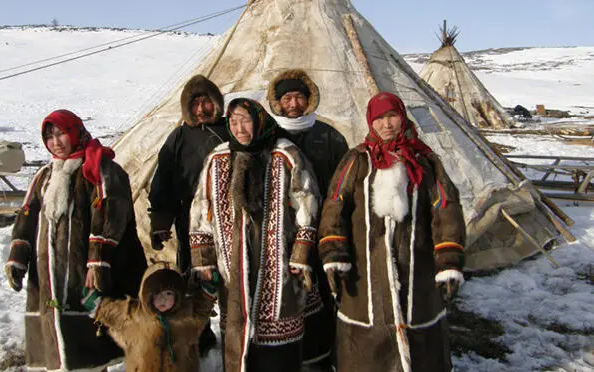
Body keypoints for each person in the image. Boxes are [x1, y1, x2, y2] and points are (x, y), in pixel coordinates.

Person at [318, 92, 466, 372]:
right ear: (370, 123)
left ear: (402, 117)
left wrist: (448, 261)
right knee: (367, 339)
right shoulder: (356, 160)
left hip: (417, 266)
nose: (387, 125)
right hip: (365, 269)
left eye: (392, 116)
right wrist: (334, 252)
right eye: (379, 119)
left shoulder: (425, 161)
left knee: (419, 330)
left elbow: (445, 208)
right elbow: (335, 204)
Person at [4, 109, 146, 371]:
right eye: (49, 137)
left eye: (61, 134)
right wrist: (18, 257)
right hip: (48, 274)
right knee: (58, 344)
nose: (56, 142)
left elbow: (110, 216)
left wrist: (97, 262)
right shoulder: (45, 176)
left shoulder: (100, 170)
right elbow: (27, 215)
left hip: (86, 271)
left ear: (75, 133)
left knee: (90, 349)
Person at [189, 98, 319, 372]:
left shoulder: (285, 154)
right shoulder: (217, 159)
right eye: (233, 122)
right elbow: (202, 210)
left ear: (259, 120)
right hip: (232, 268)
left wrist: (300, 253)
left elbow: (306, 202)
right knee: (238, 336)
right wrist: (203, 260)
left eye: (245, 120)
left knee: (278, 346)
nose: (239, 128)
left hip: (279, 268)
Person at [267, 69, 349, 367]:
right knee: (284, 292)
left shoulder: (329, 136)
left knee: (322, 292)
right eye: (286, 97)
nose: (293, 103)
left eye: (299, 96)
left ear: (308, 99)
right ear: (277, 102)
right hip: (281, 230)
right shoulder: (269, 135)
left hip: (323, 226)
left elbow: (344, 182)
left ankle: (322, 352)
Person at [148, 74, 229, 354]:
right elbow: (164, 180)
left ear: (217, 104)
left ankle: (236, 330)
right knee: (194, 274)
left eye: (207, 103)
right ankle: (199, 331)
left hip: (230, 217)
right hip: (190, 220)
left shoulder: (233, 130)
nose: (201, 109)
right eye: (195, 105)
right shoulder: (179, 137)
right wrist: (160, 221)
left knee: (232, 275)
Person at [81, 262, 217, 372]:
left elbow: (200, 309)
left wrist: (208, 291)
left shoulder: (186, 314)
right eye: (158, 295)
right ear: (147, 295)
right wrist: (95, 302)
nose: (163, 300)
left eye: (169, 294)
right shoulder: (134, 315)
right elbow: (111, 313)